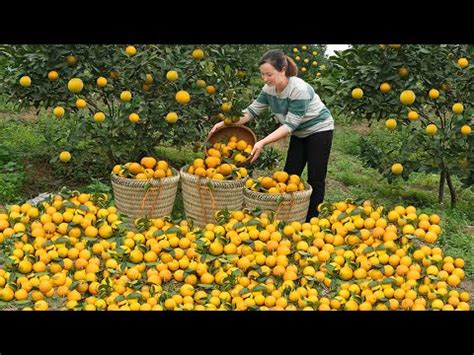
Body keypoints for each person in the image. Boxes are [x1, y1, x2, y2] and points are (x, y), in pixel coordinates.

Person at [209, 49, 334, 221]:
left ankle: (312, 219)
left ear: (282, 70)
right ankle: (287, 216)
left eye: (269, 74)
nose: (265, 79)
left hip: (320, 129)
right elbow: (250, 112)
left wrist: (261, 143)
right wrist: (223, 123)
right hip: (299, 132)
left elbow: (289, 125)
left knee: (316, 177)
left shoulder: (298, 89)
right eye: (262, 75)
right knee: (289, 174)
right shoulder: (269, 89)